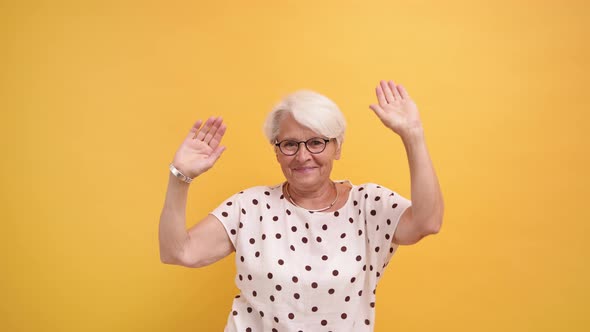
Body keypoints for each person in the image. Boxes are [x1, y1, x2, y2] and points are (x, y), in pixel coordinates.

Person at [159, 80, 444, 331]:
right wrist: (180, 177)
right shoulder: (250, 206)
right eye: (290, 144)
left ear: (338, 147)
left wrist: (413, 136)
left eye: (316, 142)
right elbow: (178, 252)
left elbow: (427, 222)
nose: (303, 156)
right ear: (277, 151)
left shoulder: (367, 204)